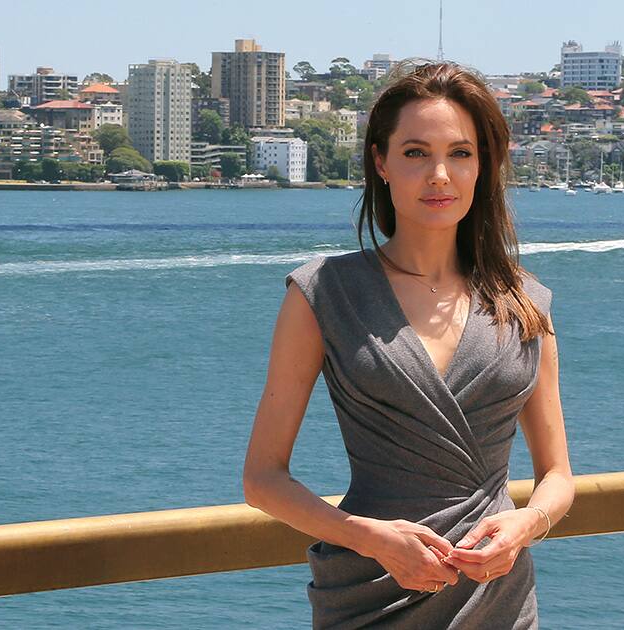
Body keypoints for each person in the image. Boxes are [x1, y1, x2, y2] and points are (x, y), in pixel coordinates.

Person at [243, 61, 573, 629]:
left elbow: (558, 476)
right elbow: (262, 479)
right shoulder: (322, 293)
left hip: (497, 596)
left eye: (461, 153)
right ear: (381, 161)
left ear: (483, 166)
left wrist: (525, 524)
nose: (440, 174)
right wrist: (367, 537)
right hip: (372, 592)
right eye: (417, 152)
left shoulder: (525, 301)